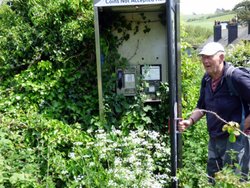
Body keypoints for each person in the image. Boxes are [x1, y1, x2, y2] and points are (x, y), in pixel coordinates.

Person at [178, 42, 250, 183]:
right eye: (203, 57)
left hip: (236, 141)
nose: (205, 61)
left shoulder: (236, 77)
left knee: (234, 182)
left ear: (221, 57)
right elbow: (202, 107)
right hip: (215, 140)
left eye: (209, 57)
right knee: (213, 180)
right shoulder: (206, 80)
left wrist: (241, 127)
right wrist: (190, 121)